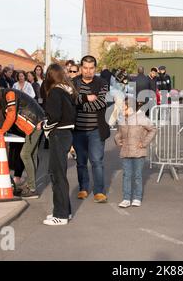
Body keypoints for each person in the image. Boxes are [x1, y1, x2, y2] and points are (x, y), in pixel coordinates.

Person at [0, 83, 45, 199]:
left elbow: (11, 116)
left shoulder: (9, 94)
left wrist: (0, 131)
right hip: (33, 123)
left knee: (25, 154)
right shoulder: (2, 98)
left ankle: (32, 188)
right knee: (32, 155)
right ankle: (31, 186)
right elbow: (2, 119)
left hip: (35, 123)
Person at [42, 64, 77, 226]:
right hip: (66, 133)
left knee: (57, 175)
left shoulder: (55, 91)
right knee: (60, 174)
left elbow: (54, 117)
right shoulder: (67, 90)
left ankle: (60, 214)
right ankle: (65, 211)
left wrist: (44, 126)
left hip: (59, 134)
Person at [72, 55, 110, 203]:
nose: (88, 71)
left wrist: (80, 101)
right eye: (85, 68)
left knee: (96, 161)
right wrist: (85, 99)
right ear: (81, 68)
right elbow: (71, 101)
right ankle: (83, 188)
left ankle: (99, 192)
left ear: (95, 68)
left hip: (96, 130)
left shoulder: (102, 83)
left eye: (91, 68)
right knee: (81, 162)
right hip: (78, 130)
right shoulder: (73, 83)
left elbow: (100, 103)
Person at [115, 100, 157, 208]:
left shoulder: (142, 118)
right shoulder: (122, 119)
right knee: (126, 175)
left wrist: (144, 143)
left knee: (137, 176)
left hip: (139, 152)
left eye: (124, 107)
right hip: (125, 151)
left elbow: (153, 129)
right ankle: (126, 198)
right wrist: (117, 139)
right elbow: (119, 133)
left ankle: (137, 197)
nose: (122, 110)